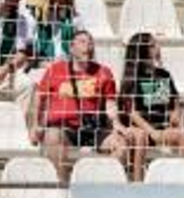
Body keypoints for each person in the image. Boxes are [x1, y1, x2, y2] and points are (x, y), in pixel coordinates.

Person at [32, 28, 142, 181]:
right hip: (64, 127)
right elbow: (39, 98)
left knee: (121, 145)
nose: (88, 47)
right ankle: (63, 188)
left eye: (91, 44)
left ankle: (104, 187)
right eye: (83, 42)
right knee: (52, 136)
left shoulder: (104, 72)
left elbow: (110, 105)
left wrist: (117, 125)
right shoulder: (55, 70)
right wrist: (35, 125)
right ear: (71, 48)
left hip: (93, 127)